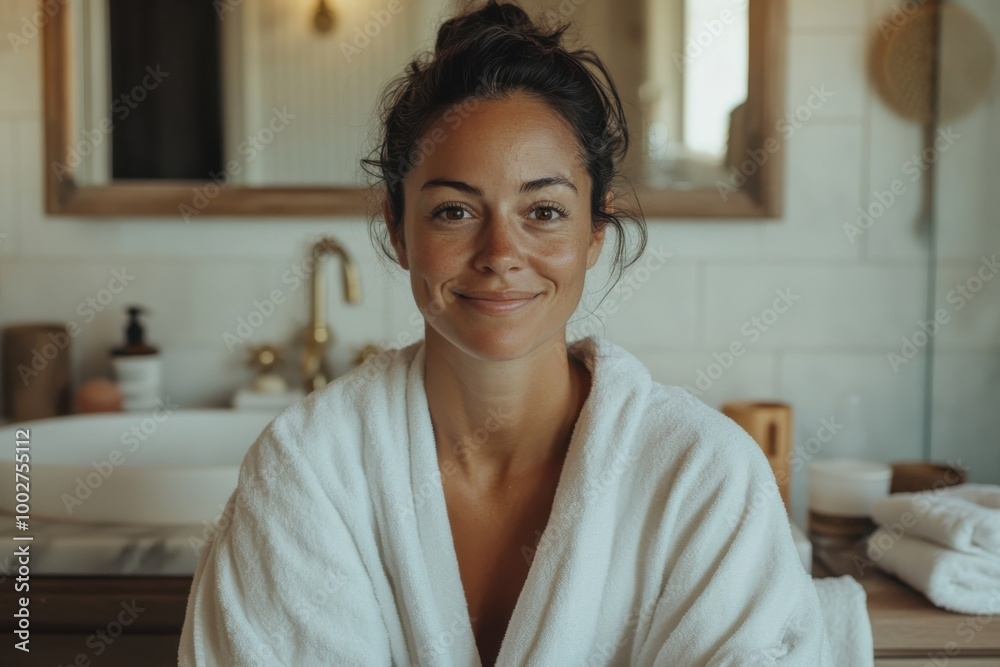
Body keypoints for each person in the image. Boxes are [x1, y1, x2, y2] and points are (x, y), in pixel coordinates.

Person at [179, 2, 833, 665]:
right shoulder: (309, 469)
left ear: (594, 234)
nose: (500, 252)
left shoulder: (702, 475)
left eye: (543, 211)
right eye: (455, 210)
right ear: (398, 230)